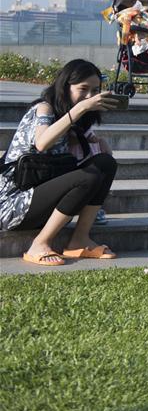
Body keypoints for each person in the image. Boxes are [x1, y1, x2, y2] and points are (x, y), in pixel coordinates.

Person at [0, 59, 120, 266]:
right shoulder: (44, 109)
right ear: (65, 87)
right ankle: (40, 244)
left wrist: (97, 140)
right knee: (86, 176)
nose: (89, 96)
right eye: (83, 89)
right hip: (13, 204)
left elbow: (107, 161)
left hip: (41, 199)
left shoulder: (76, 120)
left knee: (105, 164)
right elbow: (42, 143)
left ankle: (79, 240)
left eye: (95, 91)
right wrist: (79, 109)